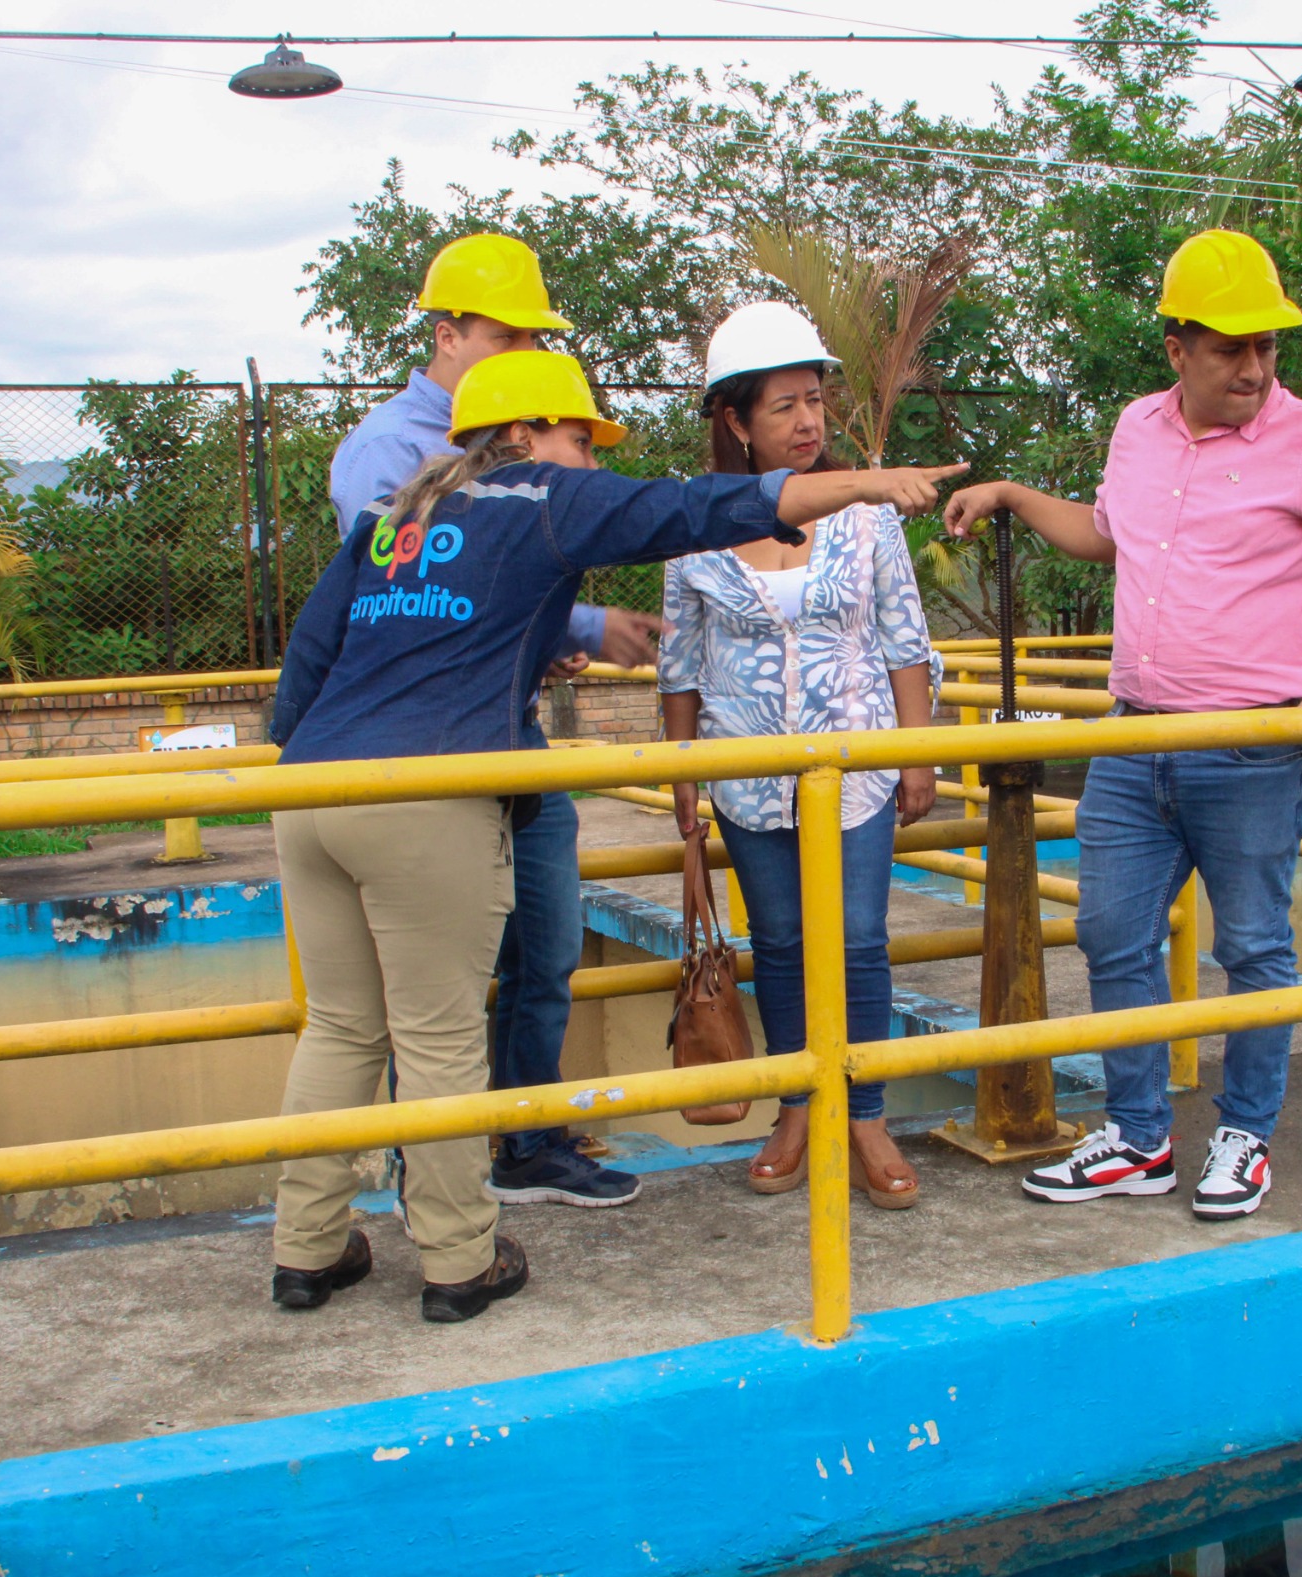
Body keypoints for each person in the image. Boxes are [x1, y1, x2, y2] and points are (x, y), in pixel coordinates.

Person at [266, 347, 964, 1317]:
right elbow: (696, 509)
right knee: (436, 1041)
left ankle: (305, 1249)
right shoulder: (538, 497)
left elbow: (309, 664)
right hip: (424, 798)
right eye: (578, 435)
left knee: (340, 1027)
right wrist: (865, 484)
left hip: (308, 792)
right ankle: (458, 1261)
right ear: (521, 436)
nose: (590, 458)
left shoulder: (396, 519)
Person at [942, 229, 1302, 1222]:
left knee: (1254, 947)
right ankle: (1136, 1136)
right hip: (1137, 740)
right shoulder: (1138, 426)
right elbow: (1106, 533)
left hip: (1252, 745)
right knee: (1111, 932)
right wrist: (1009, 494)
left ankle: (1245, 1135)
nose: (1254, 367)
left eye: (1266, 345)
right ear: (1176, 348)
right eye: (1230, 347)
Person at [328, 230, 663, 1212]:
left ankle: (524, 1141)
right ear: (447, 331)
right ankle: (432, 1167)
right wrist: (585, 623)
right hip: (429, 749)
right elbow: (409, 584)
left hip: (510, 729)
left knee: (546, 945)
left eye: (533, 335)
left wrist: (539, 632)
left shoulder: (518, 430)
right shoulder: (390, 450)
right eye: (509, 333)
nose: (524, 350)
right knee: (433, 982)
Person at [661, 303, 940, 1210]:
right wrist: (684, 780)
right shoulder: (696, 524)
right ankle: (796, 1105)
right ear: (736, 422)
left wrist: (917, 756)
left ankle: (862, 1112)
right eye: (783, 406)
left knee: (857, 939)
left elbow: (904, 637)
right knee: (778, 943)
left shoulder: (865, 512)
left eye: (814, 401)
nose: (808, 422)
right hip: (745, 780)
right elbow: (680, 666)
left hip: (855, 768)